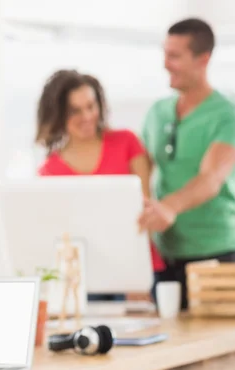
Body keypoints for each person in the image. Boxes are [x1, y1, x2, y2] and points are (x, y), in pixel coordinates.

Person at [139, 19, 235, 370]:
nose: (165, 63)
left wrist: (169, 207)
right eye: (164, 53)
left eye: (174, 56)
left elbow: (212, 178)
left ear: (203, 58)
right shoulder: (158, 112)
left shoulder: (229, 114)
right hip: (167, 262)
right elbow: (142, 169)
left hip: (216, 259)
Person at [36, 69, 165, 301]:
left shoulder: (127, 143)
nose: (87, 116)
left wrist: (134, 280)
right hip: (84, 281)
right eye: (75, 110)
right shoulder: (49, 170)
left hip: (136, 273)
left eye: (91, 106)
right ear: (57, 115)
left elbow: (144, 213)